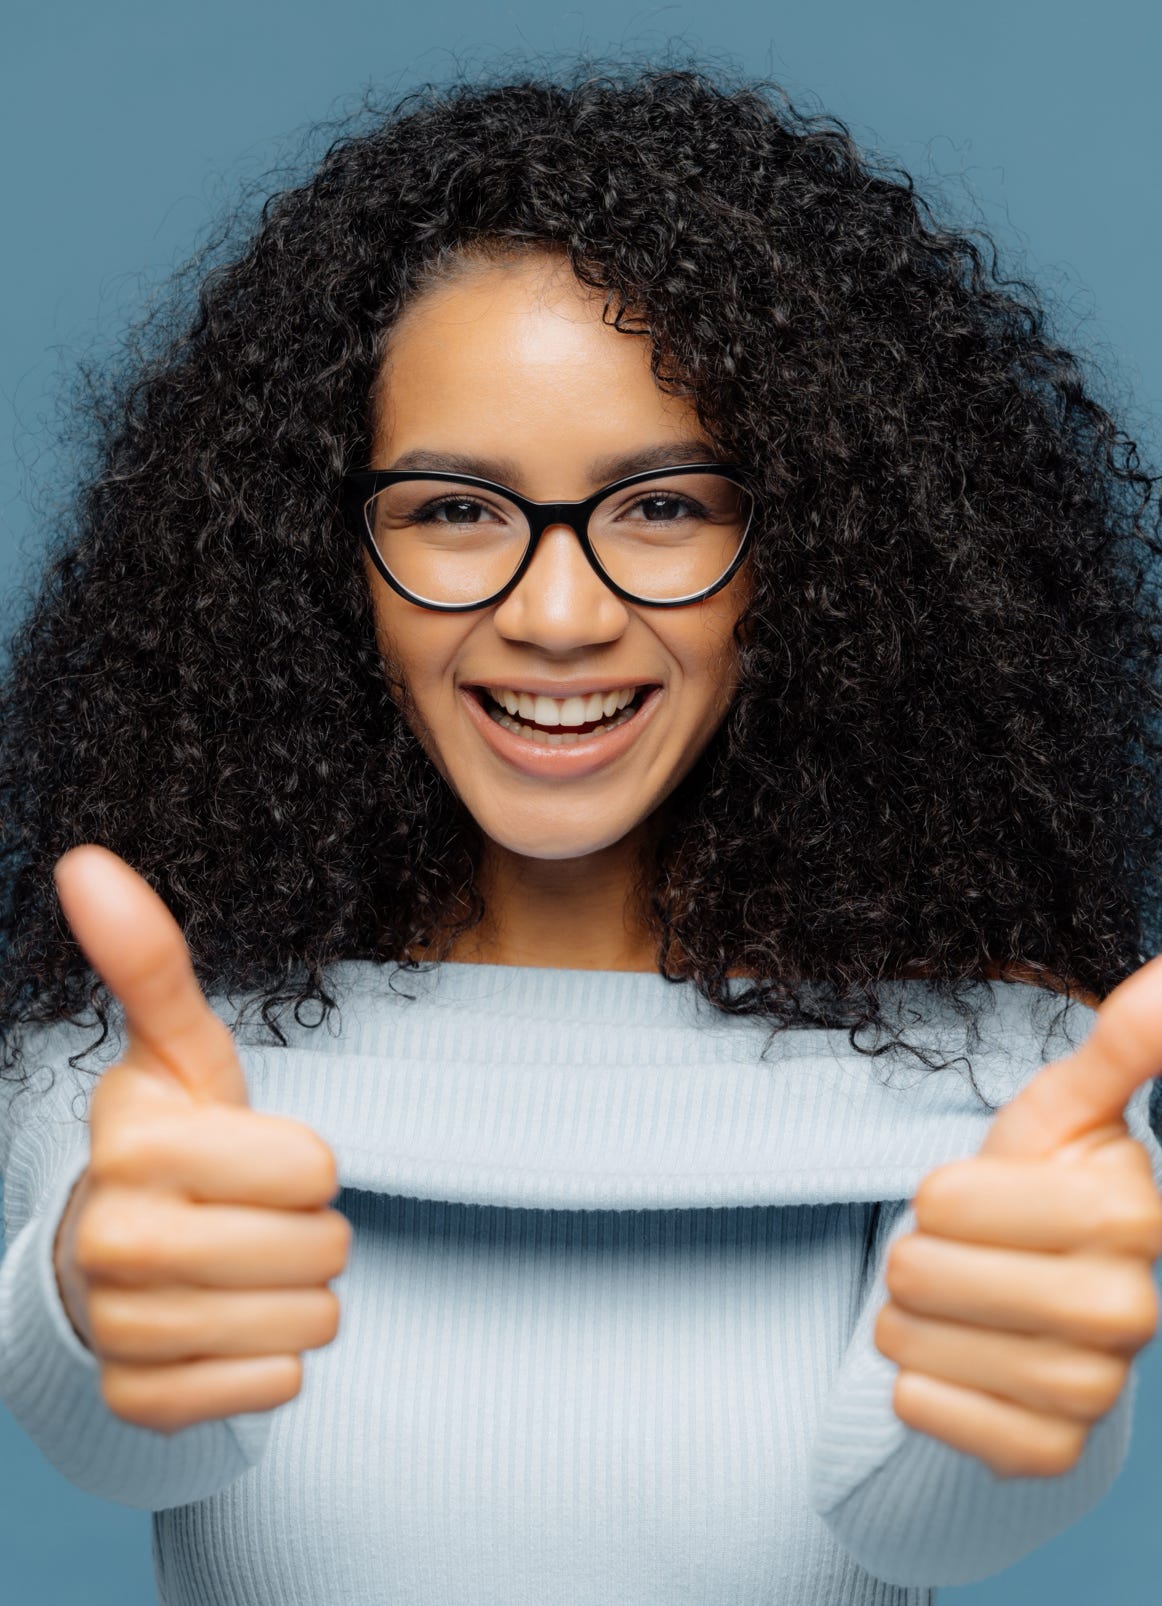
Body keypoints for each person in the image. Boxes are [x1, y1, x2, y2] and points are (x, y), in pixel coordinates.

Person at [2, 52, 1162, 1606]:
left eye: (664, 507)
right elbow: (133, 1447)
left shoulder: (1004, 1067)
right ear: (315, 559)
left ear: (808, 554)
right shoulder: (141, 1052)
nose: (558, 614)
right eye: (452, 510)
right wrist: (90, 1295)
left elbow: (919, 1524)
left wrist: (1023, 1405)